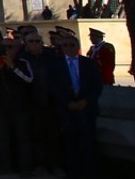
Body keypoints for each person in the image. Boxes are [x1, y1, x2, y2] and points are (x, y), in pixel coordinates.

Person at [48, 34, 102, 179]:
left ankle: (91, 172)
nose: (69, 48)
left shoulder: (89, 63)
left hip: (87, 108)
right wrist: (67, 103)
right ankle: (73, 172)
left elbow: (97, 85)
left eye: (72, 45)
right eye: (65, 45)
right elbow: (53, 87)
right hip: (67, 110)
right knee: (70, 142)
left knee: (88, 142)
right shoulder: (55, 65)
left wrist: (86, 101)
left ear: (77, 47)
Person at [0, 37, 35, 175]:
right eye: (4, 47)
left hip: (19, 107)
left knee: (22, 138)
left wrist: (13, 68)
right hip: (0, 107)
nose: (6, 50)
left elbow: (29, 79)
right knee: (2, 138)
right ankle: (5, 167)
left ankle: (25, 168)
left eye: (10, 47)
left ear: (16, 49)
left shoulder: (23, 62)